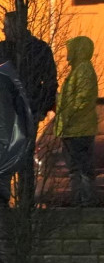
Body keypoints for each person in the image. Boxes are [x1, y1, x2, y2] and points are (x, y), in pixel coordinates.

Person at [0, 11, 57, 127]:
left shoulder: (0, 50)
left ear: (15, 27)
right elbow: (50, 82)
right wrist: (42, 110)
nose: (3, 30)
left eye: (6, 26)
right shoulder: (41, 48)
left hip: (6, 113)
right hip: (23, 111)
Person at [54, 36, 99, 207]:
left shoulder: (83, 70)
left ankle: (84, 201)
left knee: (80, 168)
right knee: (77, 168)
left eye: (70, 49)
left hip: (79, 129)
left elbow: (83, 99)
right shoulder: (79, 70)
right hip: (73, 128)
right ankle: (81, 200)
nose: (67, 53)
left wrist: (67, 113)